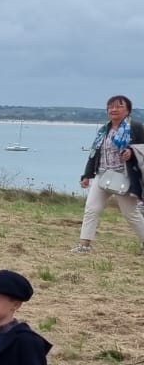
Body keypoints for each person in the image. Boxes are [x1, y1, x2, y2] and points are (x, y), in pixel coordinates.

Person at [73, 95, 144, 253]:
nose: (114, 110)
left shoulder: (136, 128)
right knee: (91, 209)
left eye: (119, 106)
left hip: (124, 176)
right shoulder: (103, 130)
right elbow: (94, 153)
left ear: (128, 110)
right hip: (102, 175)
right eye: (110, 107)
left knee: (130, 213)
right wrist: (86, 175)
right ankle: (84, 245)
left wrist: (131, 152)